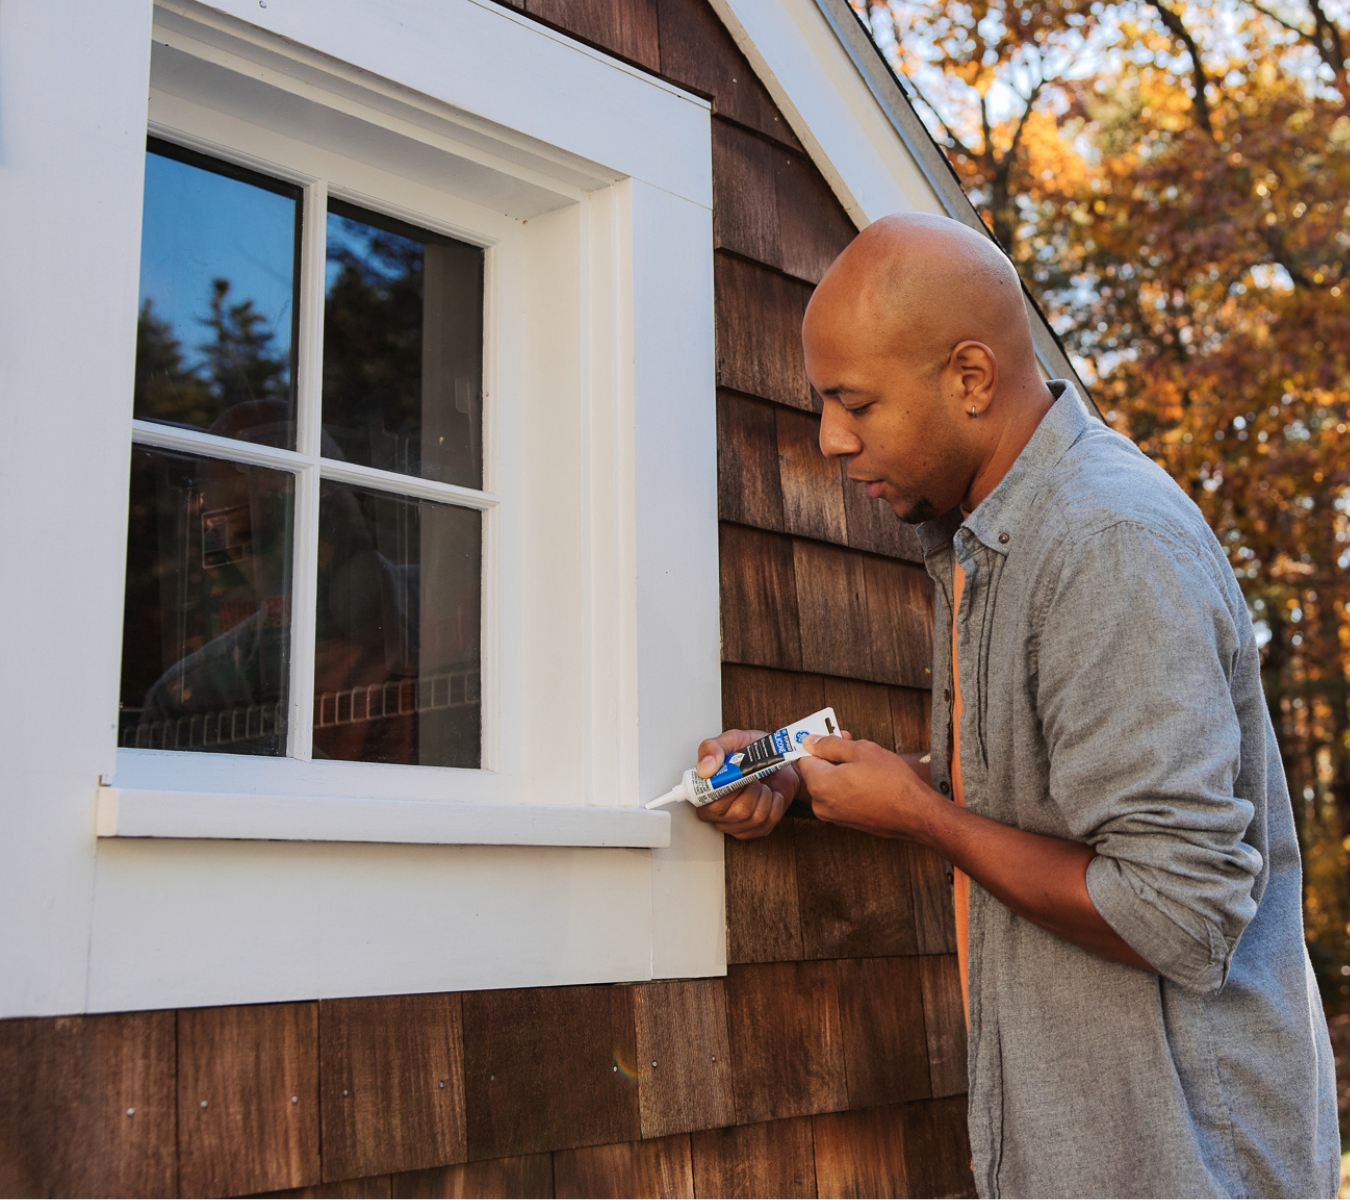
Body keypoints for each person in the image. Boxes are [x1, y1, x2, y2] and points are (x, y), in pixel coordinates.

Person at [693, 213, 1339, 1198]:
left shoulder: (1105, 545)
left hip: (1183, 1165)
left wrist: (921, 816)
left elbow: (1177, 911)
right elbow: (1027, 798)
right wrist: (806, 782)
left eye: (853, 402)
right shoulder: (995, 541)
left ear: (969, 376)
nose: (829, 439)